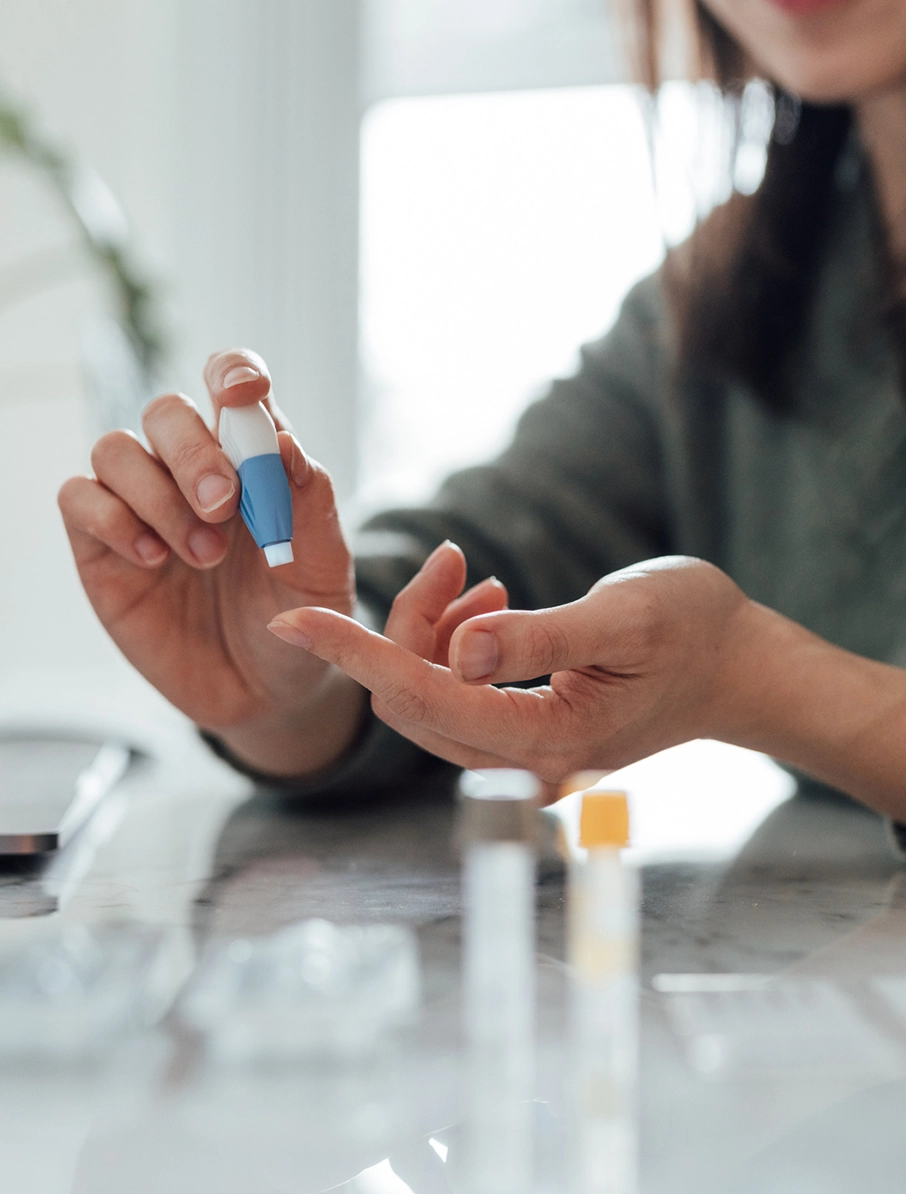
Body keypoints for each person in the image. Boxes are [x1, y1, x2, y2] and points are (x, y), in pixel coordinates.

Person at [58, 0, 906, 819]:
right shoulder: (739, 294)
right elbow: (502, 551)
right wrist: (296, 672)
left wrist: (762, 681)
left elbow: (727, 666)